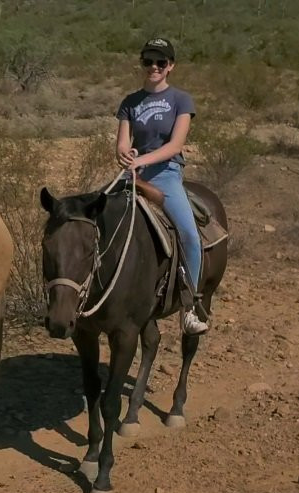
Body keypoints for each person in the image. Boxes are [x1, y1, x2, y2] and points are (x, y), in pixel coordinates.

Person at [115, 37, 207, 335]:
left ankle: (190, 306)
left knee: (190, 236)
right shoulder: (129, 102)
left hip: (166, 175)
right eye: (148, 61)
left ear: (170, 67)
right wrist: (126, 154)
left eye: (160, 62)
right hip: (132, 175)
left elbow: (176, 144)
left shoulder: (181, 100)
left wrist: (143, 160)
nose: (153, 67)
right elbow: (121, 144)